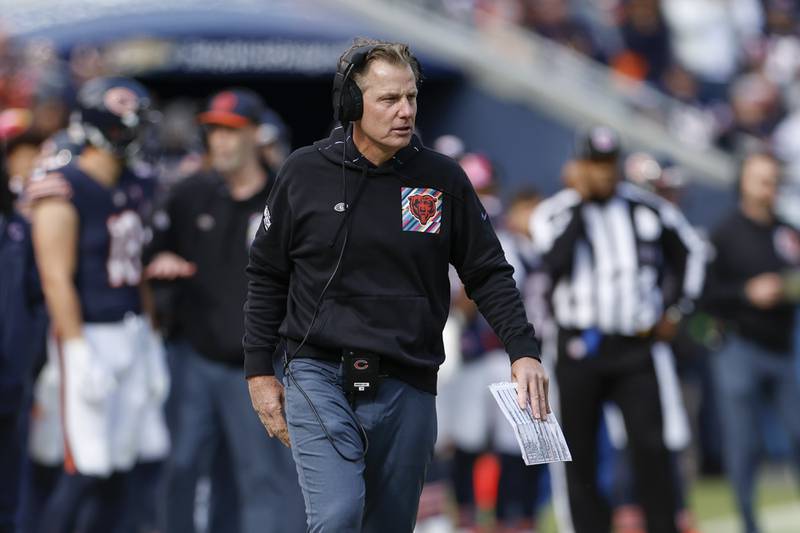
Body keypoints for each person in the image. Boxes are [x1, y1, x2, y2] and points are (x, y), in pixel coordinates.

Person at [243, 38, 549, 533]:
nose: (404, 111)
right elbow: (266, 275)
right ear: (351, 103)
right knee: (339, 515)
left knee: (389, 524)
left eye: (410, 97)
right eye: (388, 99)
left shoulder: (442, 179)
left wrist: (523, 351)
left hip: (409, 376)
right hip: (317, 371)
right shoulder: (303, 173)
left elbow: (488, 271)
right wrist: (259, 371)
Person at [144, 88, 306, 533]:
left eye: (232, 131)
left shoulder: (286, 195)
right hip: (194, 355)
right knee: (180, 467)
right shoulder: (189, 194)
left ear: (256, 134)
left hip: (260, 364)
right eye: (214, 131)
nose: (221, 142)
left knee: (258, 476)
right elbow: (149, 257)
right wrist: (161, 269)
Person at [531, 126, 706, 533]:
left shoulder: (647, 209)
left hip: (634, 347)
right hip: (578, 348)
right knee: (581, 453)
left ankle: (662, 525)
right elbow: (550, 266)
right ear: (577, 167)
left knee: (651, 448)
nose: (604, 174)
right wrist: (581, 205)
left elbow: (691, 254)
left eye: (609, 165)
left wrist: (676, 311)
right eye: (595, 164)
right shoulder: (555, 212)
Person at [28, 76, 162, 533]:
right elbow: (55, 278)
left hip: (130, 329)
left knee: (123, 462)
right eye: (130, 126)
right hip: (86, 333)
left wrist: (151, 337)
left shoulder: (137, 182)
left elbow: (137, 265)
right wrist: (78, 351)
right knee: (85, 463)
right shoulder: (63, 186)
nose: (139, 135)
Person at [702, 152, 800, 533]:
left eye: (774, 180)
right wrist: (747, 292)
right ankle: (748, 524)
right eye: (762, 180)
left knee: (797, 433)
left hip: (783, 344)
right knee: (744, 445)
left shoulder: (787, 231)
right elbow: (708, 295)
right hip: (739, 346)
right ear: (744, 182)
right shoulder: (724, 233)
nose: (769, 188)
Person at [0, 143, 44, 533]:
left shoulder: (17, 231)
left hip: (10, 385)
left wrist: (27, 360)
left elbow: (36, 302)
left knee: (11, 497)